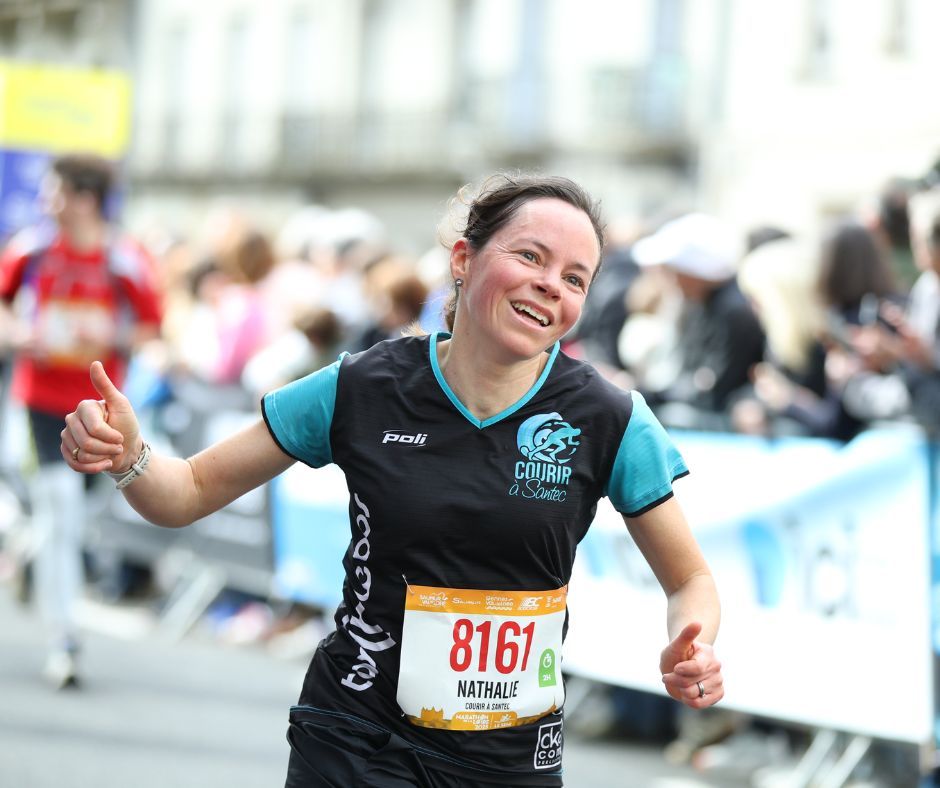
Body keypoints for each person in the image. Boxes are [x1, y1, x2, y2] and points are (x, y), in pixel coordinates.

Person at [61, 174, 723, 786]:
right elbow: (189, 492)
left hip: (508, 759)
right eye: (530, 257)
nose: (553, 284)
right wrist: (130, 456)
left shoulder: (609, 418)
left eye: (576, 278)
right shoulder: (362, 386)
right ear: (463, 259)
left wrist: (691, 641)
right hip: (358, 736)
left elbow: (690, 581)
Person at [0, 153, 162, 687]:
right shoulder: (32, 247)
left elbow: (151, 325)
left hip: (100, 407)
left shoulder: (124, 259)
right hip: (41, 401)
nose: (46, 202)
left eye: (55, 191)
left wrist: (107, 337)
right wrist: (20, 334)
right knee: (60, 510)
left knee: (69, 521)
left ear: (85, 199)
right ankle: (63, 641)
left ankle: (29, 550)